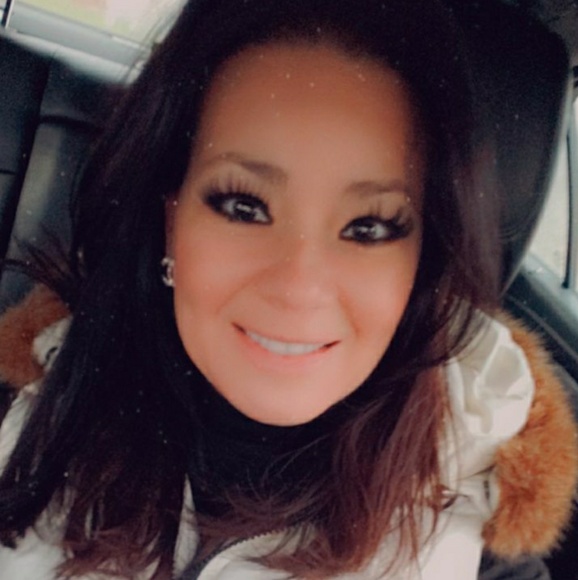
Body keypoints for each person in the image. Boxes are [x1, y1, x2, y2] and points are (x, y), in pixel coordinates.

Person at [0, 0, 576, 578]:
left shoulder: (479, 503)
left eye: (369, 227)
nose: (299, 287)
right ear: (172, 220)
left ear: (422, 259)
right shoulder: (41, 400)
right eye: (243, 206)